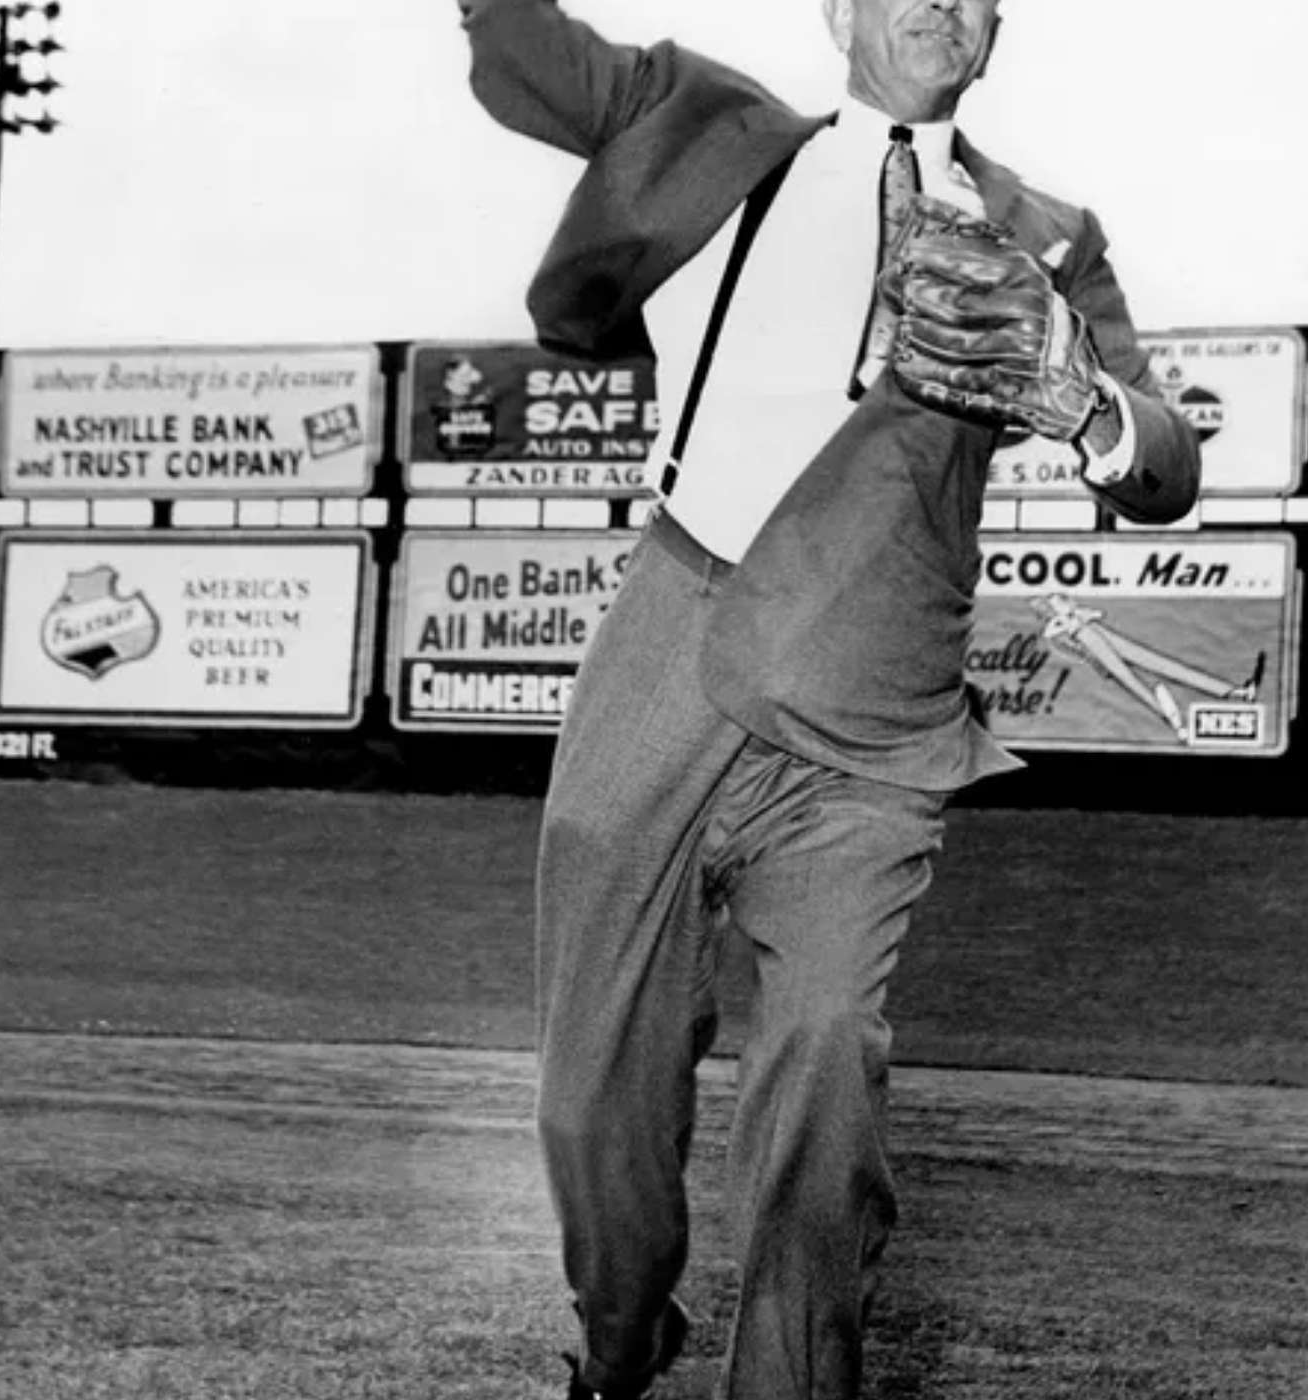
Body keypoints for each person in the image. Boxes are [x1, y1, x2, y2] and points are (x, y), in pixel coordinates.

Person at [455, 2, 1201, 1397]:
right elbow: (529, 47)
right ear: (839, 12)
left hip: (877, 699)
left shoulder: (1045, 236)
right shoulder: (700, 123)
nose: (940, 2)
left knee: (824, 1071)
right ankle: (619, 1336)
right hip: (666, 654)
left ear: (996, 30)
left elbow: (1166, 456)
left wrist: (1090, 408)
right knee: (589, 1095)